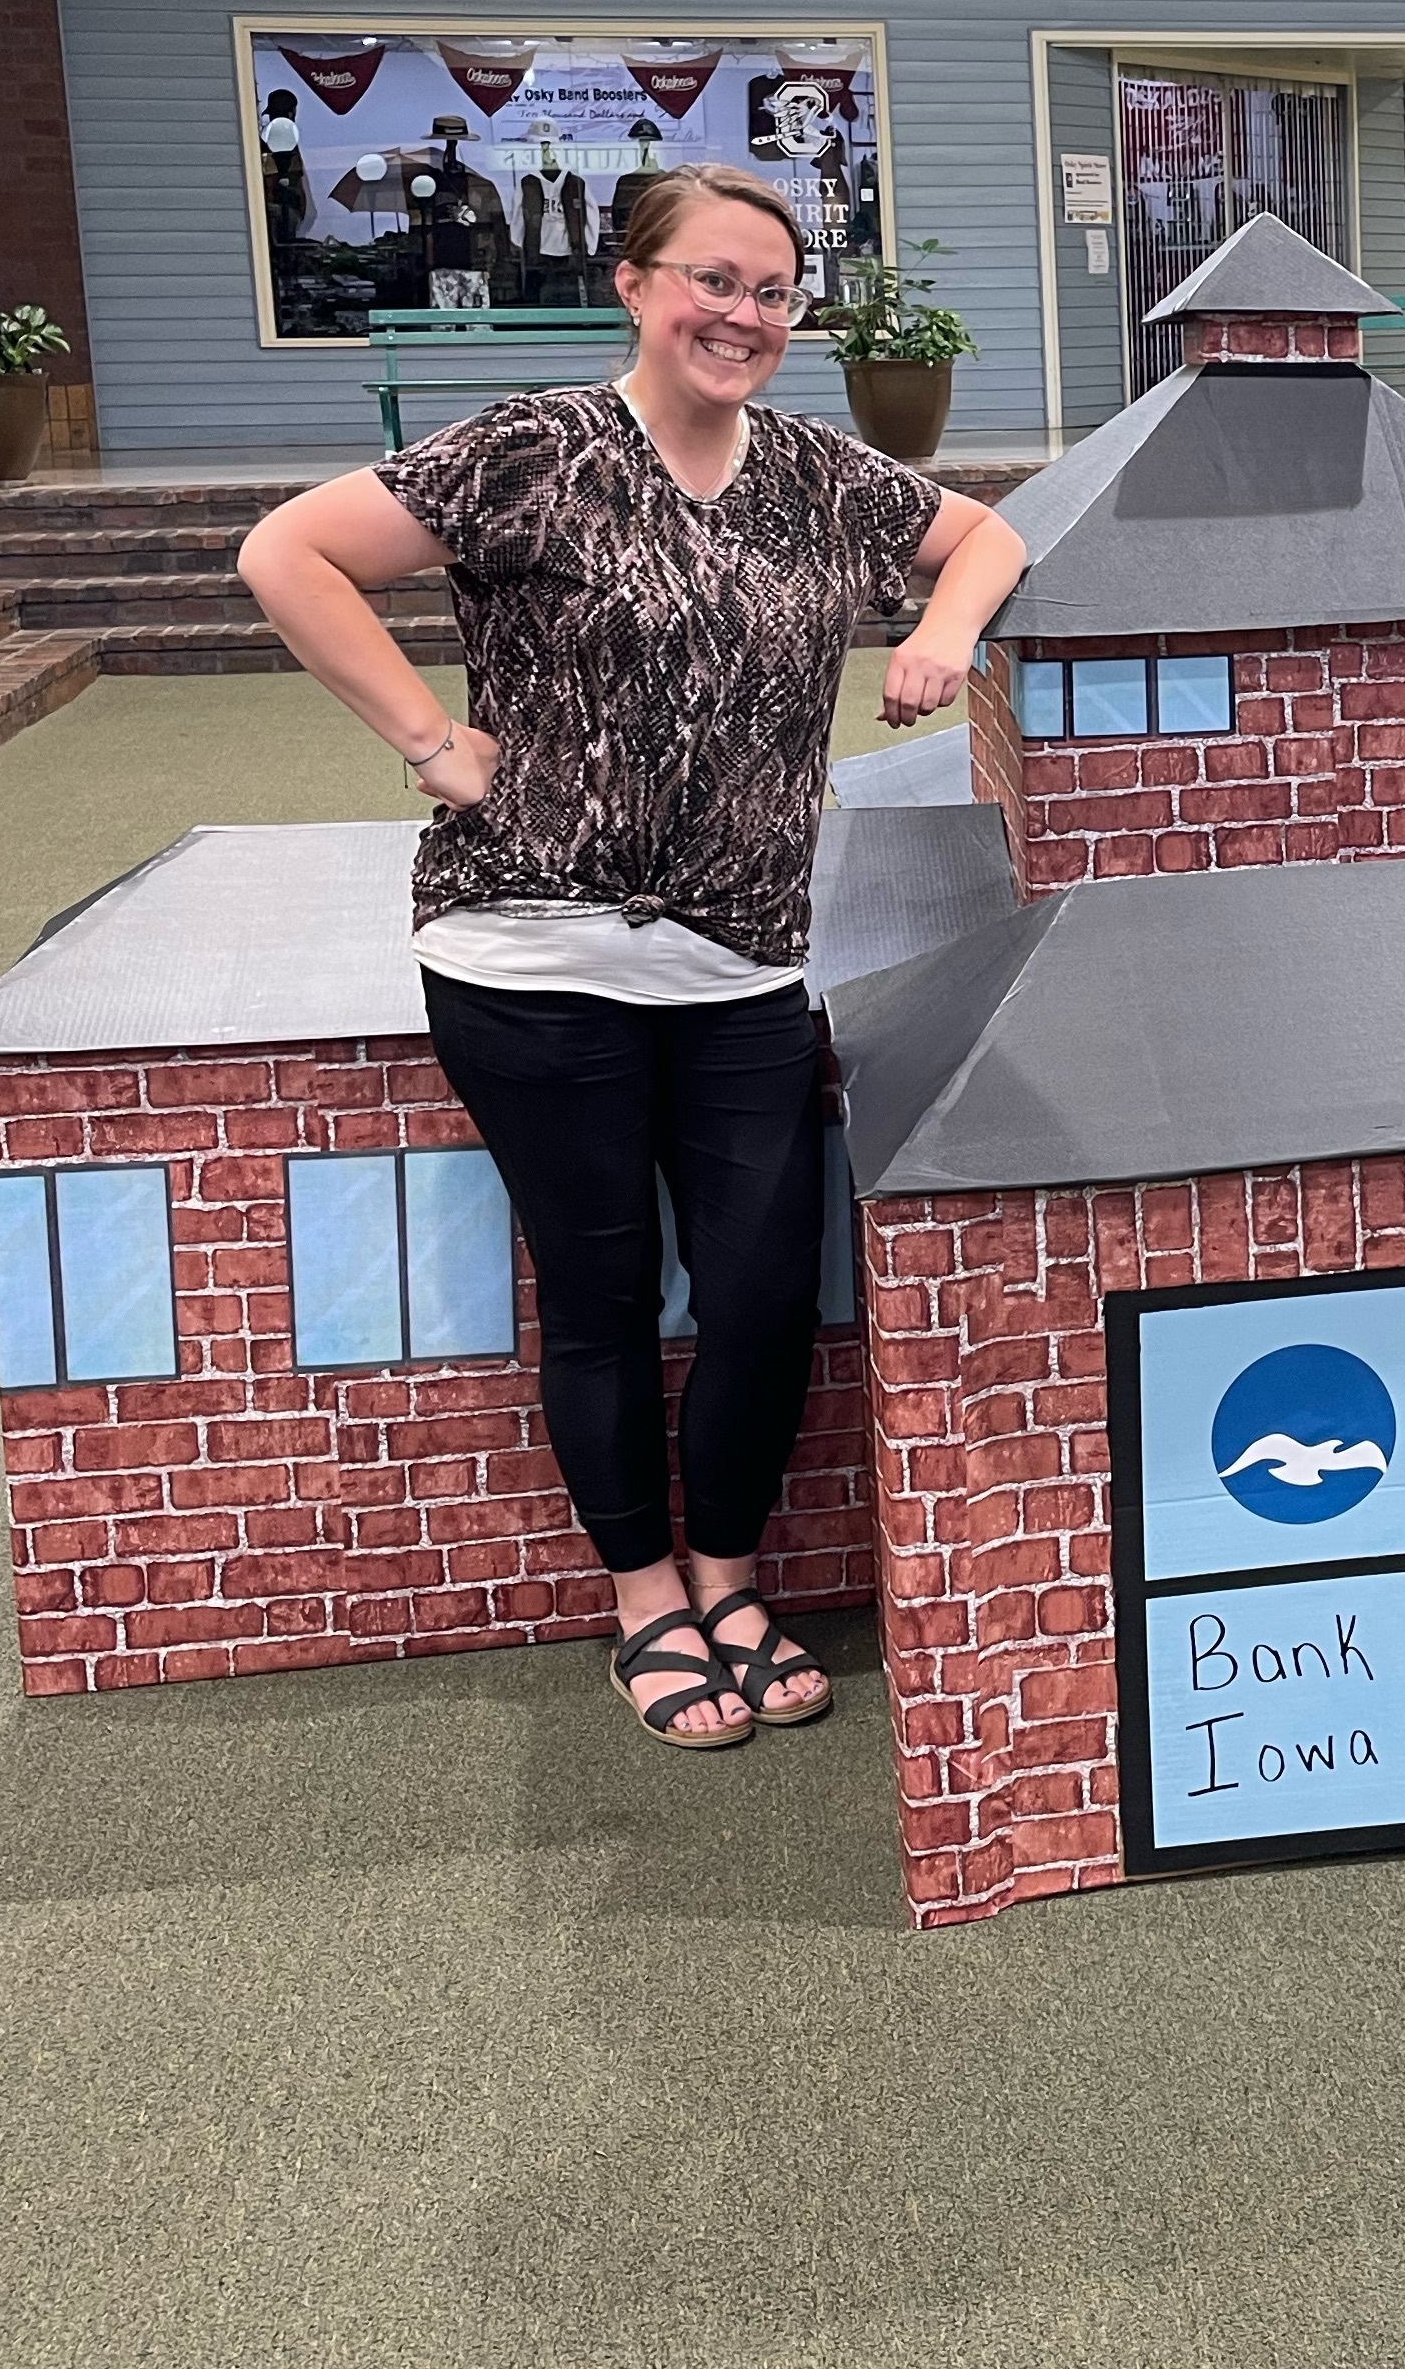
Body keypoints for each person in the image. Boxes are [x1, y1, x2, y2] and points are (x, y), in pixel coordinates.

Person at [240, 164, 1028, 1749]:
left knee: (751, 1296)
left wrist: (942, 637)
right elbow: (288, 555)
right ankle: (643, 1595)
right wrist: (430, 740)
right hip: (526, 954)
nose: (742, 315)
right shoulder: (532, 451)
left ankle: (732, 1570)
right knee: (599, 1298)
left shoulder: (815, 474)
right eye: (712, 280)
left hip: (742, 968)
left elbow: (987, 532)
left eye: (773, 292)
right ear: (633, 281)